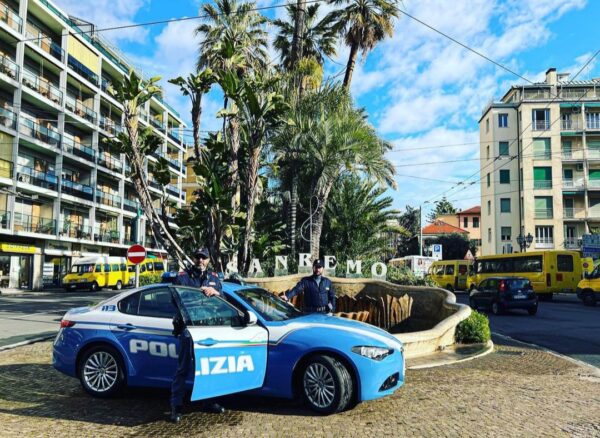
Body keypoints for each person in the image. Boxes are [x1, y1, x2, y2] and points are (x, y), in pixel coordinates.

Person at [169, 247, 225, 423]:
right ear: (194, 259)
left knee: (209, 369)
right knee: (183, 369)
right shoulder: (183, 277)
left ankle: (209, 402)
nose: (200, 260)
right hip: (189, 329)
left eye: (204, 258)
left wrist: (215, 293)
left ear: (208, 260)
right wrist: (195, 295)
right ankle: (176, 406)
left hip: (209, 328)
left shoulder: (215, 279)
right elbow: (175, 300)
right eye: (198, 257)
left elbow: (222, 301)